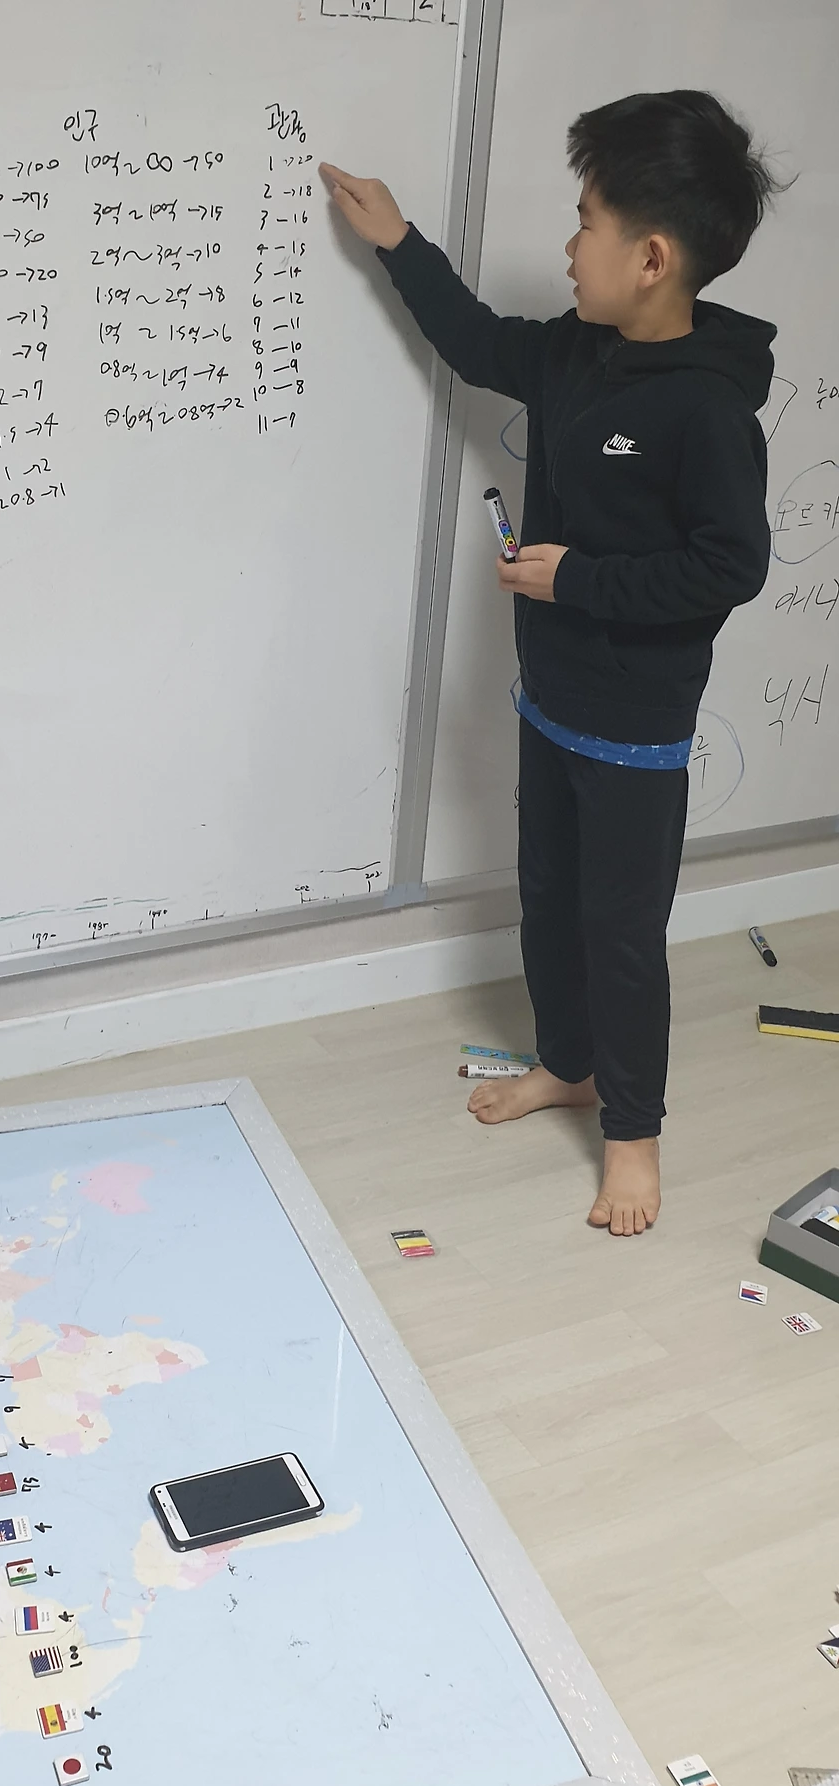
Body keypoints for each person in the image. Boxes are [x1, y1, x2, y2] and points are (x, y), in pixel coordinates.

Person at [321, 91, 786, 1237]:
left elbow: (727, 566)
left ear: (651, 257)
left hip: (633, 729)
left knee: (618, 937)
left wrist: (575, 579)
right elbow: (479, 342)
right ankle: (567, 1067)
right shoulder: (578, 353)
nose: (569, 246)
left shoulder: (705, 410)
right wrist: (398, 242)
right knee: (547, 903)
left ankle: (631, 1134)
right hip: (550, 704)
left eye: (585, 223)